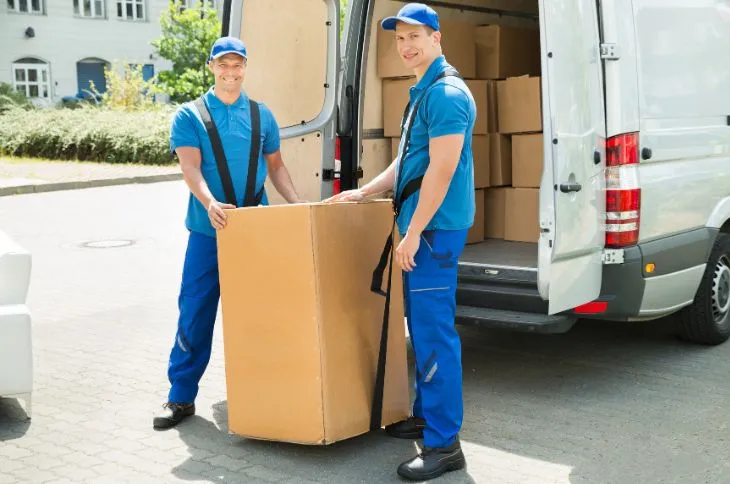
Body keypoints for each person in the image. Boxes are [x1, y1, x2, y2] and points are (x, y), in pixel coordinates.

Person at [326, 3, 476, 481]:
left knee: (434, 334)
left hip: (433, 231)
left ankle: (444, 444)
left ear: (436, 37)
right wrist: (366, 190)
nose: (406, 46)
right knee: (422, 328)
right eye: (399, 38)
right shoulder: (422, 92)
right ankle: (425, 415)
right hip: (422, 227)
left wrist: (412, 234)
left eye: (415, 36)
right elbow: (409, 163)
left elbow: (441, 168)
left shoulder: (447, 94)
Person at [153, 36, 303, 430]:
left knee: (262, 313)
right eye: (224, 65)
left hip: (257, 231)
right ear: (211, 66)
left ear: (245, 68)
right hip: (208, 231)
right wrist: (210, 203)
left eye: (237, 65)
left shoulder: (261, 115)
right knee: (196, 311)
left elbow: (277, 167)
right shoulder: (190, 115)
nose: (231, 72)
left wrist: (297, 203)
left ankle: (264, 393)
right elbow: (190, 169)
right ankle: (181, 398)